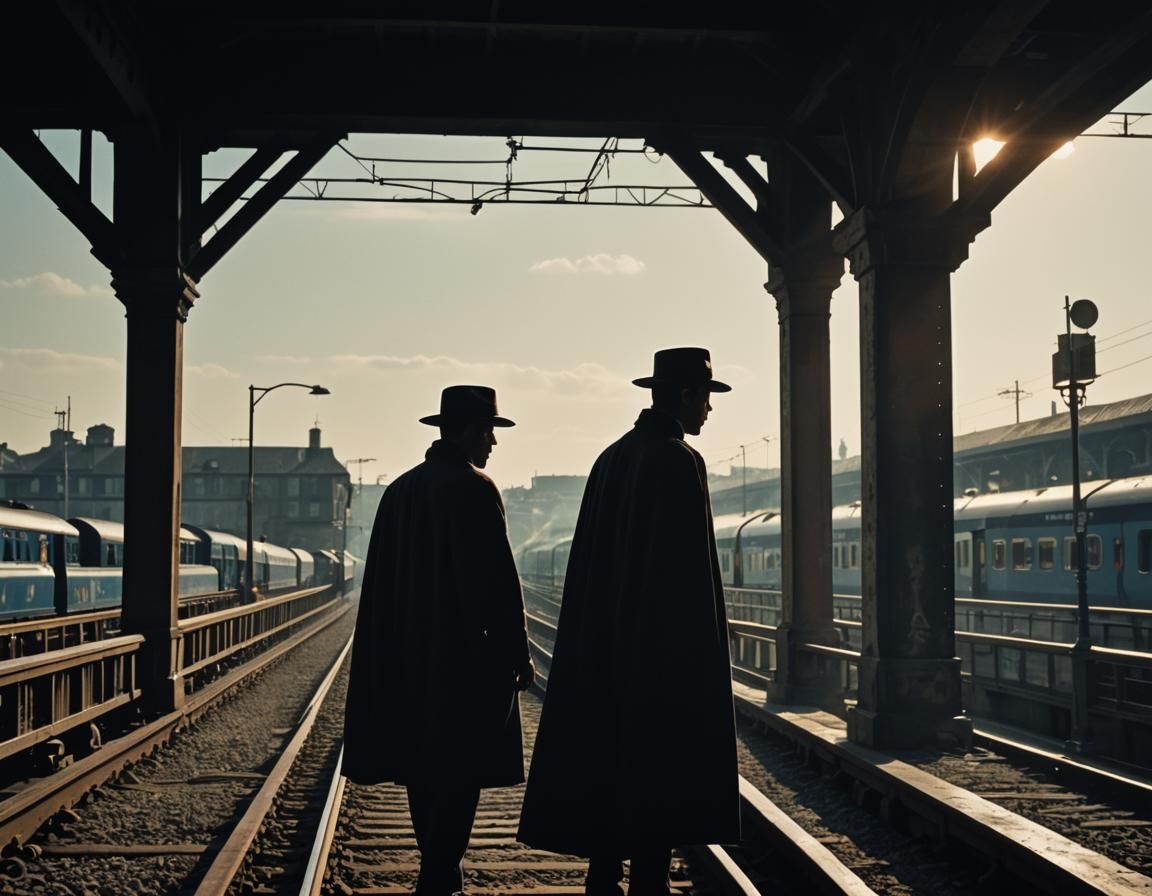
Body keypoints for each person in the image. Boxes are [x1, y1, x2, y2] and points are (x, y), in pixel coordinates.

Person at [518, 348, 740, 895]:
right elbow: (687, 577)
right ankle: (648, 879)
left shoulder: (610, 459)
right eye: (707, 397)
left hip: (602, 645)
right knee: (659, 764)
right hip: (662, 653)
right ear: (686, 395)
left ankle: (602, 872)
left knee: (607, 753)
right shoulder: (679, 461)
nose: (710, 410)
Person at [342, 385, 535, 896]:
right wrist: (518, 654)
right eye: (491, 431)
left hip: (405, 656)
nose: (493, 442)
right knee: (463, 766)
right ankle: (440, 872)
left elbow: (380, 581)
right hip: (465, 660)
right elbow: (500, 581)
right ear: (471, 431)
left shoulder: (399, 491)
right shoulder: (476, 488)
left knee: (421, 764)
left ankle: (437, 865)